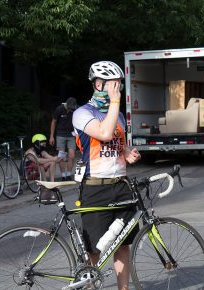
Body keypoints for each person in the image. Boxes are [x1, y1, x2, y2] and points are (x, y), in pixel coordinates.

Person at [72, 61, 141, 290]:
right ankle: (91, 285)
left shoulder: (117, 114)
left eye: (120, 85)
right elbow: (104, 133)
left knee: (122, 244)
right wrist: (114, 101)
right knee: (95, 249)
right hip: (95, 187)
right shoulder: (82, 113)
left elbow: (116, 142)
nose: (118, 89)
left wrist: (127, 152)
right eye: (114, 84)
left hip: (120, 184)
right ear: (99, 84)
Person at [49, 97, 77, 181]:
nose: (70, 110)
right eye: (69, 108)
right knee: (62, 156)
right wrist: (51, 136)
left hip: (71, 134)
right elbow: (53, 122)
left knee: (72, 156)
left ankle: (68, 174)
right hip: (60, 134)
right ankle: (63, 175)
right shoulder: (59, 109)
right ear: (67, 105)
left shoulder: (76, 108)